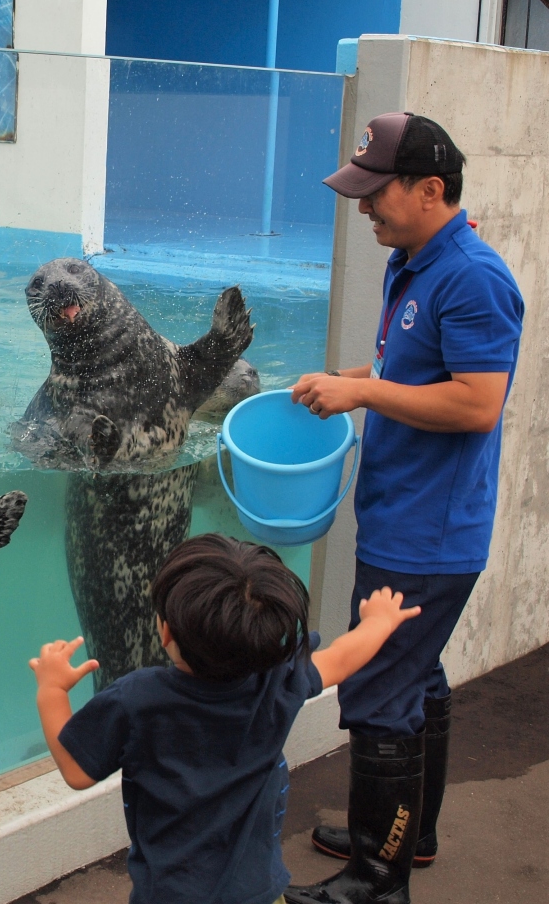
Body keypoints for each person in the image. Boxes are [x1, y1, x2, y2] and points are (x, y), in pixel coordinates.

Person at [284, 112, 524, 904]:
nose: (363, 209)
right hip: (404, 515)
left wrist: (361, 395)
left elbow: (477, 403)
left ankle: (376, 880)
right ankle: (408, 833)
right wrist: (344, 380)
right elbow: (407, 368)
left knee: (382, 690)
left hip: (428, 533)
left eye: (375, 193)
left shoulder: (474, 278)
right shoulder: (415, 260)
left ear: (430, 189)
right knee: (415, 675)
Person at [31, 534, 420, 904]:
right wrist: (379, 622)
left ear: (165, 632)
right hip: (260, 892)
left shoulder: (137, 700)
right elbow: (341, 658)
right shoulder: (277, 680)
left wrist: (52, 690)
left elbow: (76, 770)